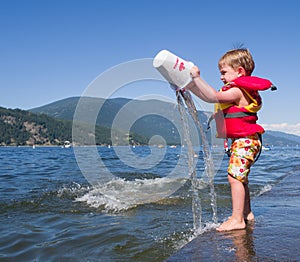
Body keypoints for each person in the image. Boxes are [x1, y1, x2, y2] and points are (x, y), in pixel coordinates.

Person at [186, 48, 273, 231]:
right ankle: (246, 213)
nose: (221, 77)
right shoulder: (242, 91)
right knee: (241, 179)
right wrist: (190, 86)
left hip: (245, 141)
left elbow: (214, 97)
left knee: (234, 177)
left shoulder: (238, 91)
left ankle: (237, 219)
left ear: (240, 71)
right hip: (247, 141)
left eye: (224, 72)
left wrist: (197, 78)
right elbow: (207, 95)